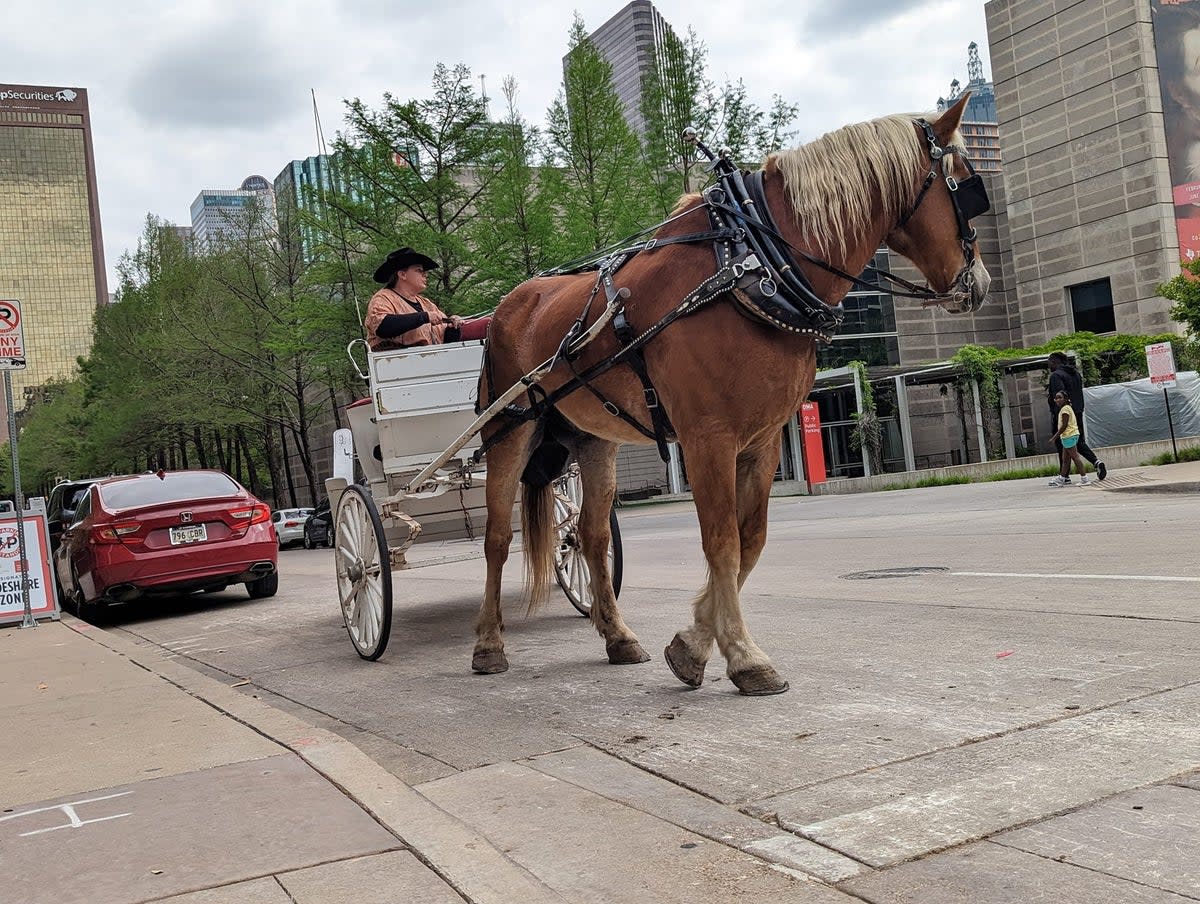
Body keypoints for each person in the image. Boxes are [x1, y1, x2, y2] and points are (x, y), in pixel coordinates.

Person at [364, 247, 491, 351]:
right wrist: (424, 317)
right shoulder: (383, 298)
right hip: (398, 364)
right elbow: (383, 326)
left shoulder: (425, 303)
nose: (425, 274)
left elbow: (445, 331)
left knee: (491, 324)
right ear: (402, 274)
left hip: (430, 360)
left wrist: (454, 321)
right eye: (419, 270)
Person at [1046, 352, 1106, 484]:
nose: (1048, 365)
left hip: (1064, 414)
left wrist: (1057, 414)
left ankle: (1065, 477)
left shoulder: (1056, 376)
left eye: (1049, 362)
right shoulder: (1076, 374)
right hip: (1077, 412)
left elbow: (1059, 396)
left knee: (1063, 443)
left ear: (1055, 362)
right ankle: (1096, 462)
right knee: (1078, 441)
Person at [1048, 390, 1091, 487]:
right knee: (1065, 459)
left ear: (1066, 399)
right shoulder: (1066, 408)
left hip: (1069, 436)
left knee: (1075, 458)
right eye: (1056, 398)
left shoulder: (1065, 410)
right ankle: (1062, 479)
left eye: (1060, 397)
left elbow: (1064, 426)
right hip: (1069, 436)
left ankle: (1085, 479)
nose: (1057, 400)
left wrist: (1054, 437)